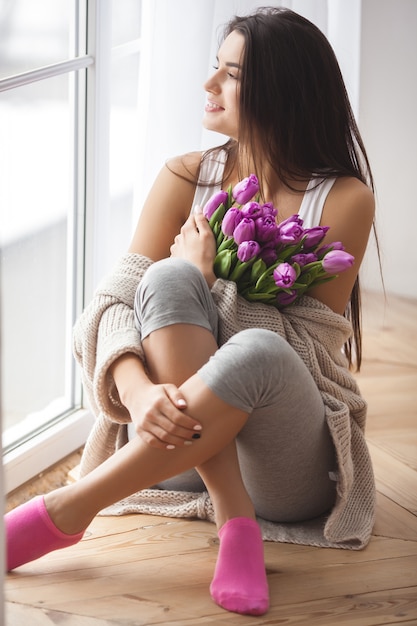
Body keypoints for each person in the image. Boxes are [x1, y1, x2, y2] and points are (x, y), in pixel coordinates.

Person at [5, 6, 377, 617]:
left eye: (230, 75)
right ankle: (236, 526)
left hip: (283, 468)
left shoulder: (342, 199)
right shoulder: (184, 177)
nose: (209, 86)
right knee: (170, 275)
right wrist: (138, 390)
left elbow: (302, 353)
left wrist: (210, 280)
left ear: (280, 92)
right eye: (214, 68)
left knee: (248, 339)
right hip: (170, 444)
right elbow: (107, 308)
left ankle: (70, 510)